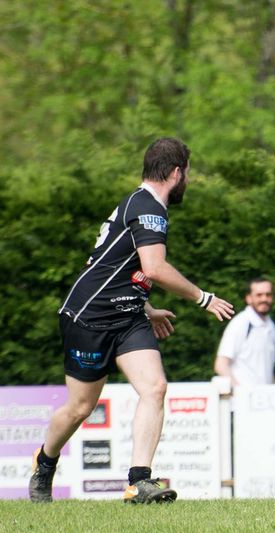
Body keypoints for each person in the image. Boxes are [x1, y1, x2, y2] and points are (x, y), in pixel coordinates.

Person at [29, 137, 234, 504]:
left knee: (154, 387)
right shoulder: (150, 209)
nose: (187, 179)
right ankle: (45, 461)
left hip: (128, 317)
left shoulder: (139, 202)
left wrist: (144, 306)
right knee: (80, 408)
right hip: (88, 318)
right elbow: (154, 267)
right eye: (187, 172)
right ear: (176, 173)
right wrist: (202, 297)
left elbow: (125, 267)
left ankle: (139, 482)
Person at [214, 276, 275, 386]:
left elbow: (268, 370)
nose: (264, 299)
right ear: (249, 298)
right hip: (243, 399)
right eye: (259, 295)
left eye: (268, 295)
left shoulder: (271, 326)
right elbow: (221, 365)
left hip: (263, 399)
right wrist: (240, 393)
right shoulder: (241, 323)